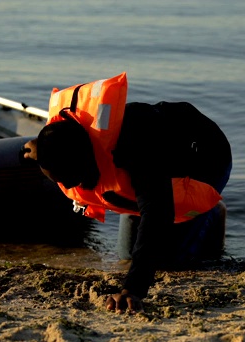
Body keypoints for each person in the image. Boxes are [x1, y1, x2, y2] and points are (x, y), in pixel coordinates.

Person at [20, 72, 232, 314]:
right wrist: (33, 152)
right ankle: (156, 204)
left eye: (78, 179)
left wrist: (133, 289)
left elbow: (156, 216)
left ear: (86, 159)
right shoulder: (61, 141)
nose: (78, 186)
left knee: (172, 263)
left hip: (203, 159)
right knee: (126, 256)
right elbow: (46, 149)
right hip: (151, 174)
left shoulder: (134, 149)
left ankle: (211, 212)